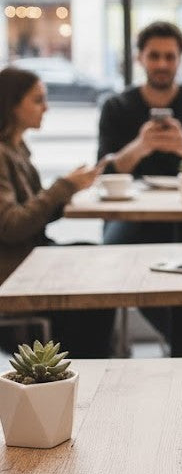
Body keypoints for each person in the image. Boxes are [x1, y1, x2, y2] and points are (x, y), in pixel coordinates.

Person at [97, 20, 182, 346]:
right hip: (133, 215)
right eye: (154, 56)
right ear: (140, 58)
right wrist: (140, 146)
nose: (162, 64)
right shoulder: (116, 106)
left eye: (170, 57)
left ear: (180, 60)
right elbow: (104, 172)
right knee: (111, 257)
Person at [0, 67, 115, 357]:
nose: (47, 108)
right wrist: (64, 187)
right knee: (96, 283)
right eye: (38, 100)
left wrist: (69, 190)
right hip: (15, 268)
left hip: (30, 255)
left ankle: (87, 359)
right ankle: (84, 361)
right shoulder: (2, 154)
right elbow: (11, 226)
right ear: (12, 105)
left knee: (97, 262)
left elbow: (33, 218)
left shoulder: (16, 148)